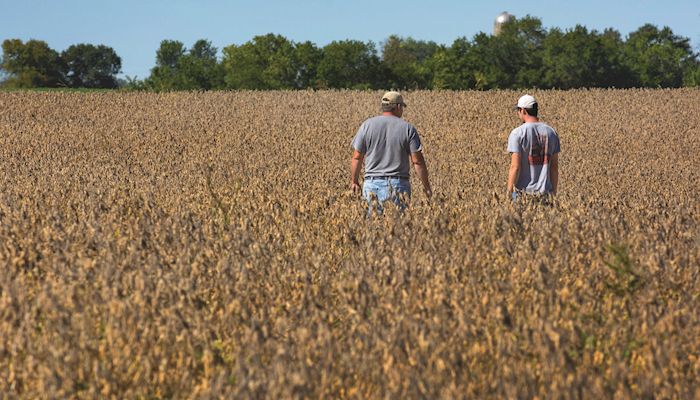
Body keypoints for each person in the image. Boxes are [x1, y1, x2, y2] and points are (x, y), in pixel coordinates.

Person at [350, 91, 432, 214]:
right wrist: (426, 187)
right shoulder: (408, 128)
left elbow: (357, 158)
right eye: (402, 107)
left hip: (372, 185)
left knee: (372, 229)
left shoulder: (366, 126)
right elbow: (417, 162)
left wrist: (354, 181)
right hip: (399, 185)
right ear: (398, 106)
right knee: (399, 229)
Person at [507, 94, 560, 203]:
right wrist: (553, 194)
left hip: (523, 195)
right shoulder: (551, 132)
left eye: (518, 110)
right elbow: (554, 167)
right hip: (546, 194)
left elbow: (515, 167)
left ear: (523, 111)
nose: (518, 113)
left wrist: (509, 193)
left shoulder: (517, 133)